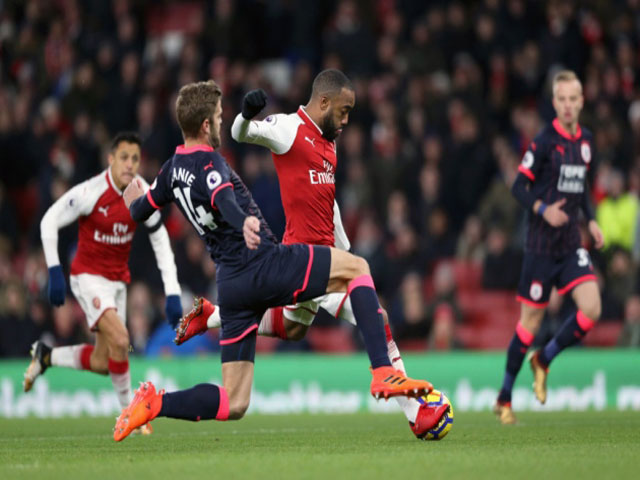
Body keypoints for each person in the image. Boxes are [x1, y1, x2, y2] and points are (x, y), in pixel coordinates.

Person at [113, 79, 443, 441]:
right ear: (206, 124)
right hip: (266, 264)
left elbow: (142, 210)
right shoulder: (213, 164)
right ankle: (384, 373)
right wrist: (245, 222)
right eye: (220, 116)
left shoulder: (170, 170)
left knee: (234, 402)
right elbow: (223, 198)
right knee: (359, 270)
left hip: (232, 284)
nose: (223, 123)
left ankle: (156, 402)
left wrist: (131, 198)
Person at [25, 132, 183, 434]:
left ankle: (46, 355)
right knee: (122, 340)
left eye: (135, 159)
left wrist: (172, 291)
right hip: (87, 277)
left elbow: (160, 238)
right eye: (124, 157)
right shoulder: (91, 192)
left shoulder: (141, 192)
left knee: (103, 361)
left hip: (117, 282)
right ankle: (132, 418)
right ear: (111, 159)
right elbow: (49, 220)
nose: (129, 164)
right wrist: (55, 270)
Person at [494, 70, 604, 424]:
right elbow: (518, 187)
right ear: (555, 103)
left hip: (571, 243)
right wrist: (543, 209)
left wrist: (591, 220)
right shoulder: (543, 142)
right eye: (563, 99)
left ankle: (545, 358)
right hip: (540, 247)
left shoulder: (586, 141)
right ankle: (505, 397)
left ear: (581, 101)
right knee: (528, 325)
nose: (569, 105)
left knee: (592, 308)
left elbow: (581, 187)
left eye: (574, 98)